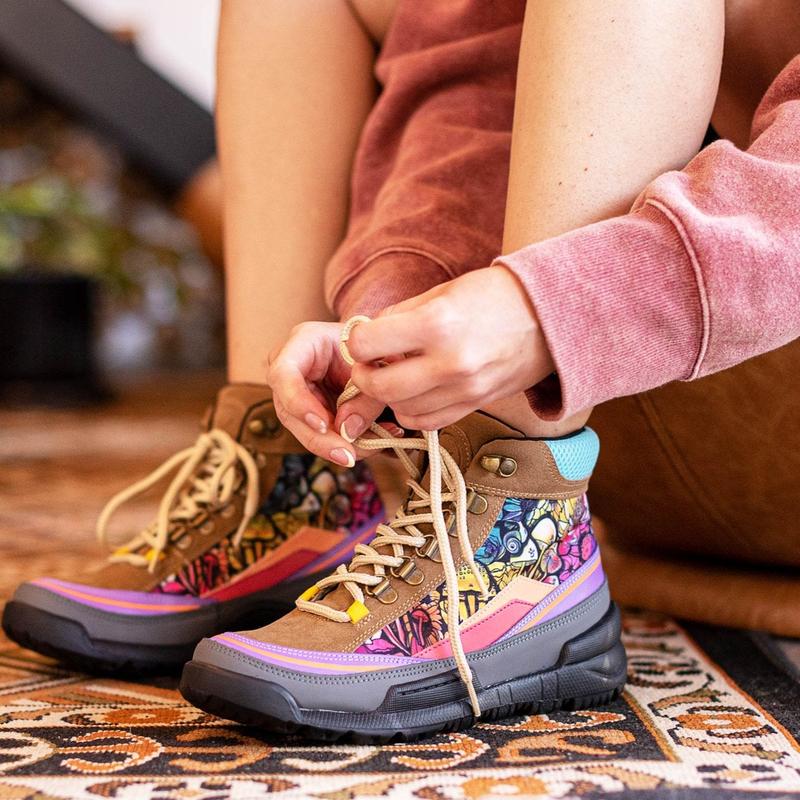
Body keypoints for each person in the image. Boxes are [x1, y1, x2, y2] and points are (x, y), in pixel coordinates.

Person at [7, 1, 800, 740]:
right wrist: (389, 327)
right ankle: (294, 477)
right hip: (649, 394)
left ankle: (524, 532)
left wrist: (553, 306)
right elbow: (475, 74)